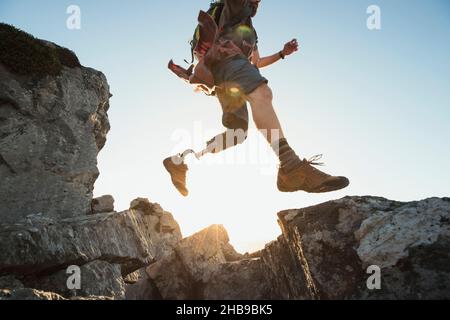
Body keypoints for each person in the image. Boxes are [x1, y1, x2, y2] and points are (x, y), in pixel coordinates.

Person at [165, 0, 349, 197]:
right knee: (262, 93)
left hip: (225, 73)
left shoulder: (251, 31)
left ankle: (180, 160)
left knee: (237, 133)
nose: (258, 3)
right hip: (227, 59)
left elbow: (257, 62)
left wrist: (282, 53)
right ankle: (291, 166)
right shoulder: (235, 6)